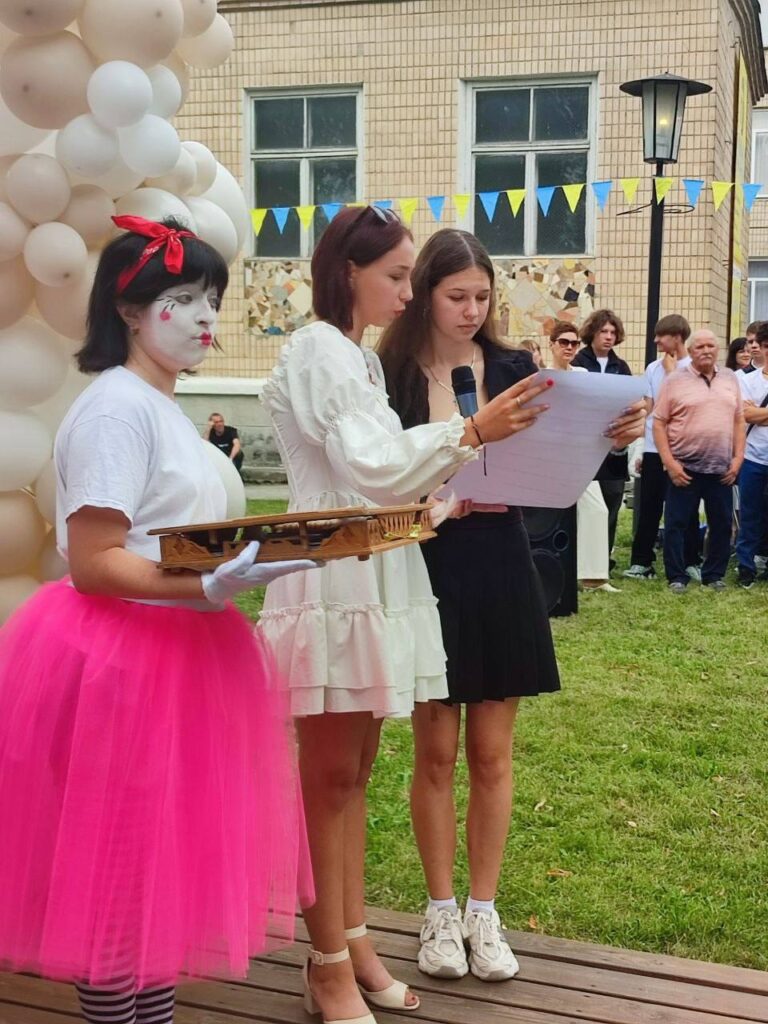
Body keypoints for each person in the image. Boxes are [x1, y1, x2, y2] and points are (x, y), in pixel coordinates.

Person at [0, 217, 313, 1024]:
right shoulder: (116, 410)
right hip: (125, 660)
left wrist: (242, 563)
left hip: (181, 655)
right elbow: (95, 560)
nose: (206, 317)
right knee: (118, 880)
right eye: (182, 298)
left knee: (154, 877)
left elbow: (167, 537)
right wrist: (205, 585)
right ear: (128, 310)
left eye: (211, 298)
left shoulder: (163, 406)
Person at [258, 207, 553, 1024]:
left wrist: (440, 505)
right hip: (331, 578)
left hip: (370, 570)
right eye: (395, 275)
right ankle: (325, 965)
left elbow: (387, 484)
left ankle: (352, 943)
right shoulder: (320, 348)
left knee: (352, 777)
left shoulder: (352, 354)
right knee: (328, 780)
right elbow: (370, 466)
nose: (407, 290)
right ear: (346, 272)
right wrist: (470, 430)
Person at [377, 232, 644, 984]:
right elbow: (378, 472)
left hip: (501, 558)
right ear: (424, 294)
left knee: (492, 754)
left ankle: (483, 911)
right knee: (434, 752)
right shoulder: (391, 374)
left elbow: (562, 448)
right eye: (455, 296)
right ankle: (439, 910)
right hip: (427, 563)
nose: (471, 310)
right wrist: (434, 497)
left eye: (481, 296)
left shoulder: (515, 370)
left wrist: (613, 435)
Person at [653, 329, 744, 592]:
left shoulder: (730, 378)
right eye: (700, 346)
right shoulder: (674, 380)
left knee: (722, 524)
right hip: (684, 467)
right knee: (677, 524)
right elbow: (659, 423)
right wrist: (670, 463)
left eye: (710, 346)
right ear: (691, 351)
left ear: (718, 350)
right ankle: (677, 576)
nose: (706, 350)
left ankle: (714, 575)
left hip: (721, 468)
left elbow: (739, 420)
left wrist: (738, 458)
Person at [624, 314, 701, 581]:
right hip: (654, 448)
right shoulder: (652, 368)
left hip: (685, 450)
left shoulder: (696, 367)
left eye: (661, 335)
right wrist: (641, 447)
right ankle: (641, 561)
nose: (656, 340)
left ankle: (690, 560)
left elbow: (687, 406)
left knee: (686, 509)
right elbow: (650, 409)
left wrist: (672, 374)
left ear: (677, 337)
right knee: (649, 505)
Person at [548, 320, 617, 592]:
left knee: (596, 509)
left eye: (574, 343)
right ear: (552, 344)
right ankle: (553, 569)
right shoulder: (542, 376)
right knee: (549, 517)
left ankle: (594, 577)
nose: (569, 347)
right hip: (549, 455)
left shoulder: (582, 374)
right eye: (563, 342)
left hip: (577, 455)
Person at [572, 309, 632, 571]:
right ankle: (579, 558)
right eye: (603, 331)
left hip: (614, 443)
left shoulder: (622, 366)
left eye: (613, 332)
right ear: (592, 333)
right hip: (584, 445)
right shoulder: (578, 362)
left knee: (612, 498)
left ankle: (602, 559)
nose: (608, 337)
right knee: (585, 503)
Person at [735, 320, 768, 587]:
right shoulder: (747, 380)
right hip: (753, 457)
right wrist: (755, 413)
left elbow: (754, 413)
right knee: (749, 514)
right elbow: (745, 414)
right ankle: (745, 567)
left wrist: (760, 412)